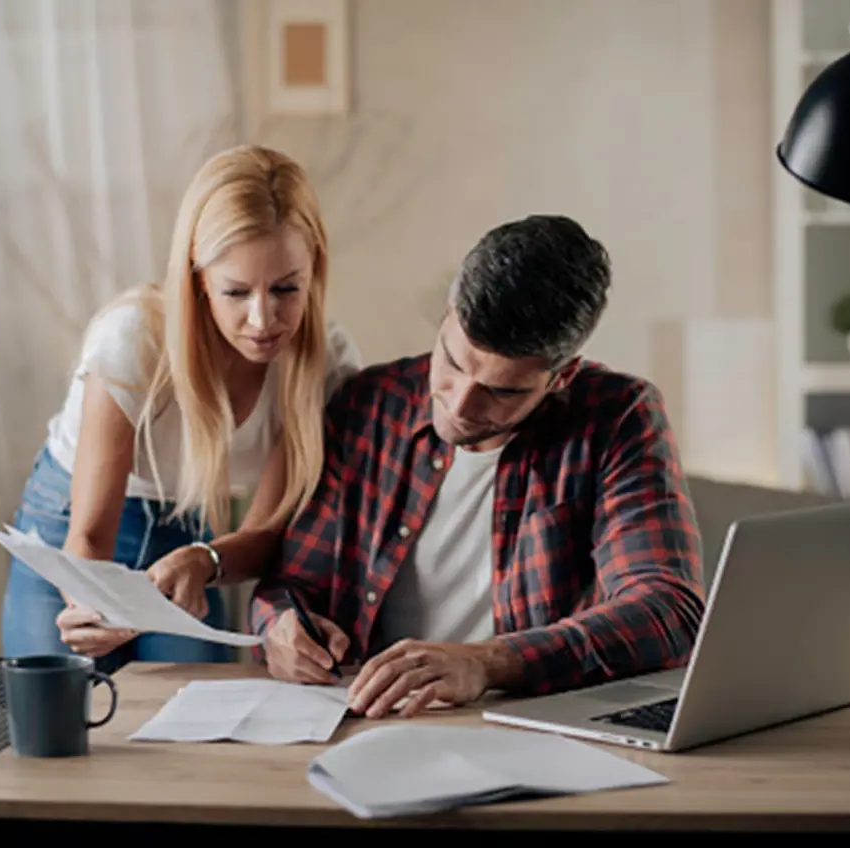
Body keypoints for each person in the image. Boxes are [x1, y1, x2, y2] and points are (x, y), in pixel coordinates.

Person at [248, 213, 706, 718]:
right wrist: (281, 627)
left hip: (533, 730)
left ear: (562, 376)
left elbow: (668, 612)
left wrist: (487, 664)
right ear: (447, 315)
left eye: (502, 391)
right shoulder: (366, 406)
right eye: (453, 362)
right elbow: (291, 585)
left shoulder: (618, 416)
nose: (461, 405)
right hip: (366, 721)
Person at [1, 144, 361, 673]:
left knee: (191, 720)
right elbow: (91, 532)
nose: (263, 320)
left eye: (286, 288)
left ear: (316, 271)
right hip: (70, 526)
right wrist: (84, 603)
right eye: (236, 291)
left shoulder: (322, 363)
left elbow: (265, 535)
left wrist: (207, 559)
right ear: (198, 281)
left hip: (185, 535)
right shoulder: (131, 340)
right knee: (63, 716)